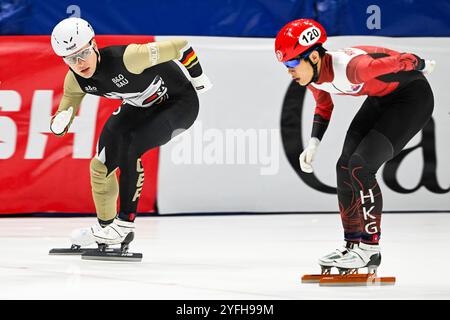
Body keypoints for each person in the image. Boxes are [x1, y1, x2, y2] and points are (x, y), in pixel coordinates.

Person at [275, 19, 435, 274]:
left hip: (412, 99)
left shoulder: (353, 69)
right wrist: (314, 143)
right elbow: (324, 106)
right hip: (381, 97)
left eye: (292, 63)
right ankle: (352, 245)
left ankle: (370, 250)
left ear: (314, 56)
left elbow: (400, 59)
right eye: (284, 65)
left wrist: (422, 63)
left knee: (362, 166)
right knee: (343, 167)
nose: (289, 71)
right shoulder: (314, 78)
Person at [50, 17, 212, 248]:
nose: (79, 63)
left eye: (83, 54)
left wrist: (198, 77)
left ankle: (125, 224)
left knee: (131, 145)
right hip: (140, 106)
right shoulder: (75, 80)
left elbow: (181, 46)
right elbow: (65, 112)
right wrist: (60, 122)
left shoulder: (129, 58)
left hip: (179, 104)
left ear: (94, 44)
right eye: (70, 59)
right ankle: (106, 231)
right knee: (100, 166)